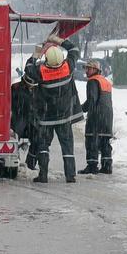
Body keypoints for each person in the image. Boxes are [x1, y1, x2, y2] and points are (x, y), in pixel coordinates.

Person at [23, 35, 83, 183]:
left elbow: (28, 67)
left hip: (46, 118)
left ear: (47, 60)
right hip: (64, 117)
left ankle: (43, 175)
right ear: (61, 58)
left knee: (43, 146)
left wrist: (37, 52)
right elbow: (75, 49)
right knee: (67, 147)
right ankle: (70, 175)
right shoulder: (67, 67)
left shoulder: (40, 71)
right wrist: (59, 40)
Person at [79, 60, 114, 175]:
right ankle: (107, 165)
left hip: (96, 116)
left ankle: (92, 166)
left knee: (92, 140)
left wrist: (81, 109)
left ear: (95, 70)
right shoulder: (105, 81)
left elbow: (92, 100)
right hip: (107, 116)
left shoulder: (92, 81)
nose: (86, 71)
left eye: (88, 68)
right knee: (104, 141)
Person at [10, 70, 40, 169]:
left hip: (32, 121)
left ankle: (30, 164)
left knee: (37, 139)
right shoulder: (16, 88)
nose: (32, 87)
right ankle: (14, 160)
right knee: (13, 138)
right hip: (18, 119)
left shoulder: (38, 89)